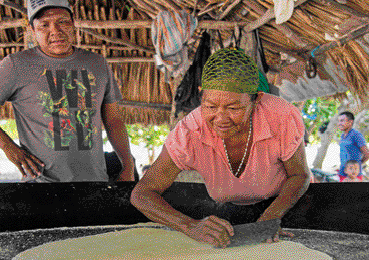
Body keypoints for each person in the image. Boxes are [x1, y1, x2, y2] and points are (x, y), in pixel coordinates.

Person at [131, 48, 311, 249]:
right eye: (210, 106)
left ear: (257, 99)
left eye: (234, 108)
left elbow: (299, 175)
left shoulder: (281, 116)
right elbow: (142, 193)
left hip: (282, 207)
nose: (221, 118)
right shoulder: (190, 132)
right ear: (201, 95)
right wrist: (190, 226)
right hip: (222, 212)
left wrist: (271, 217)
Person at [0, 0, 134, 182]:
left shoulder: (97, 63)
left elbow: (113, 120)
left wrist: (128, 166)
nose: (56, 31)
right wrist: (9, 148)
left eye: (63, 22)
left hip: (95, 182)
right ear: (32, 30)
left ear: (73, 24)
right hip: (41, 185)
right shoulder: (17, 65)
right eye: (44, 25)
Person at [337, 111, 369, 182]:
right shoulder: (342, 136)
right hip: (343, 173)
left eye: (342, 121)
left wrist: (357, 165)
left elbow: (367, 154)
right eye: (338, 121)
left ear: (350, 122)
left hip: (354, 176)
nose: (339, 123)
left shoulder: (356, 135)